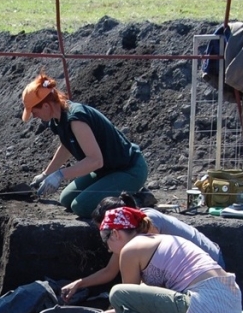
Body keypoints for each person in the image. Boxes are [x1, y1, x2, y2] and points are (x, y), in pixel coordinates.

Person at [97, 207, 243, 313]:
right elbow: (137, 305)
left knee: (118, 293)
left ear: (115, 233)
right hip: (227, 302)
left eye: (105, 240)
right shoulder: (160, 240)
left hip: (204, 303)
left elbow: (126, 305)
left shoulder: (130, 250)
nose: (108, 249)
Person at [21, 70, 148, 218]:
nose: (34, 116)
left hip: (129, 169)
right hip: (107, 170)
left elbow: (95, 161)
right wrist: (46, 174)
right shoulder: (57, 120)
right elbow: (66, 147)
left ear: (46, 106)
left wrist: (60, 175)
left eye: (34, 112)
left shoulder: (76, 118)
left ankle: (136, 199)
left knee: (81, 207)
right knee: (66, 199)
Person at [60, 192, 224, 302]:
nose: (106, 240)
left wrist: (120, 311)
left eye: (106, 232)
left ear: (116, 223)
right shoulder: (129, 234)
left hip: (210, 268)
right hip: (195, 275)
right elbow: (110, 271)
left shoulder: (148, 223)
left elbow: (151, 279)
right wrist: (79, 284)